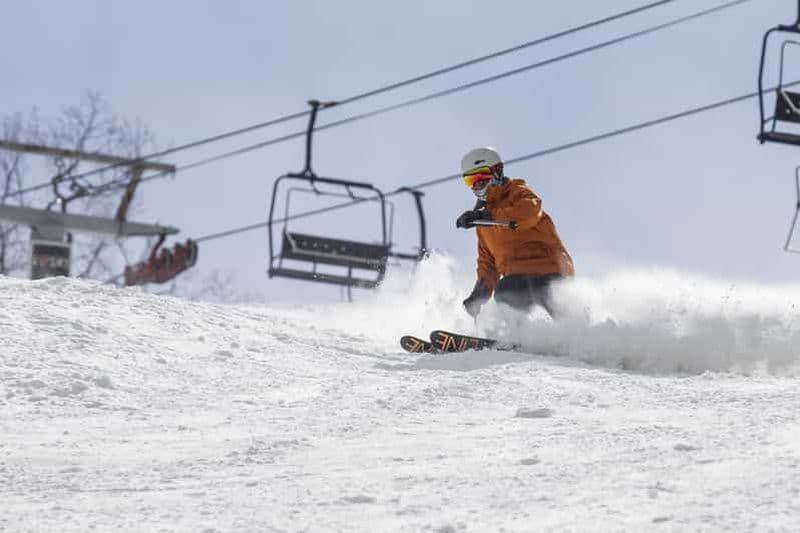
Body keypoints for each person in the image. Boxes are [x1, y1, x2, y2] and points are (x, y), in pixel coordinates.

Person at [455, 146, 574, 319]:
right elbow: (487, 263)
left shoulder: (517, 192)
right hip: (519, 280)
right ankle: (522, 340)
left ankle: (572, 331)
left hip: (550, 272)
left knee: (519, 291)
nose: (477, 184)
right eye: (471, 180)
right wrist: (479, 294)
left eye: (482, 176)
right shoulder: (483, 225)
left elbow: (529, 211)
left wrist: (486, 215)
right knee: (506, 291)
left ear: (497, 171)